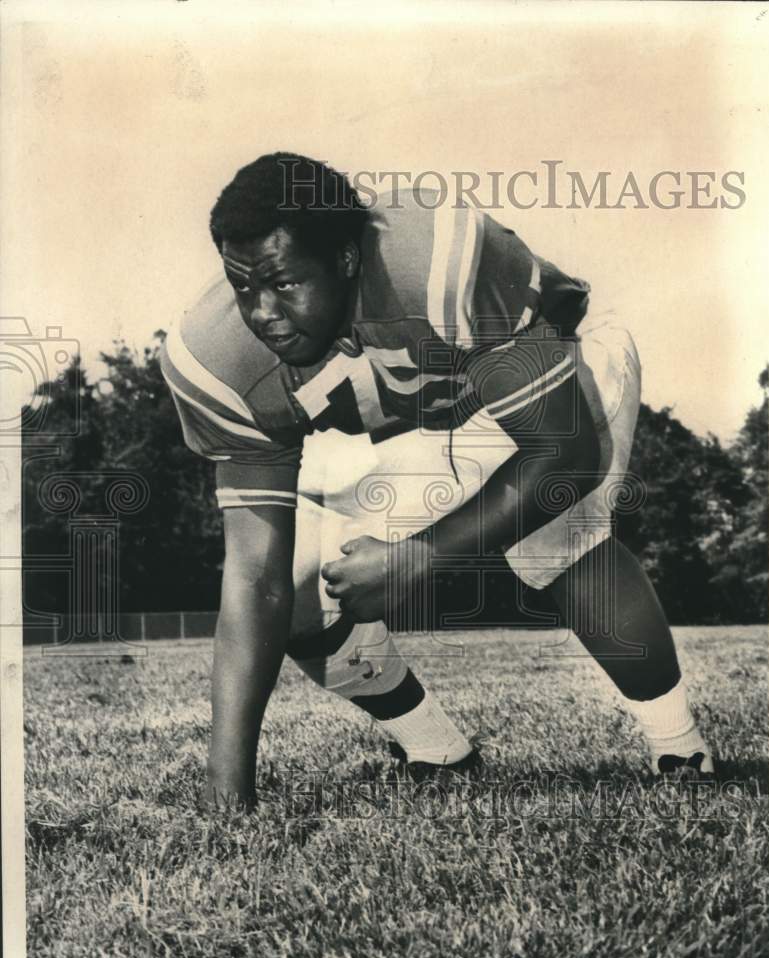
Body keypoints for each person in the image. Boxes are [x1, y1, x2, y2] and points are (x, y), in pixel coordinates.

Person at [161, 152, 714, 809]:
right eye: (242, 286)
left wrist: (418, 556)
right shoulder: (215, 360)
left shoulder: (435, 260)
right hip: (421, 420)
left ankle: (681, 748)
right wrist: (228, 801)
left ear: (345, 259)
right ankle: (437, 751)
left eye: (282, 283)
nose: (262, 312)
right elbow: (255, 578)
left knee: (551, 536)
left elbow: (564, 457)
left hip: (559, 368)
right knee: (302, 580)